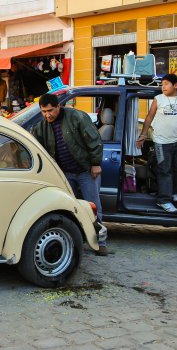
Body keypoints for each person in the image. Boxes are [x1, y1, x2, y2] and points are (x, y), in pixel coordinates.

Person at [31, 93, 108, 256]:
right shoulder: (41, 126)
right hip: (64, 174)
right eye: (44, 111)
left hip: (86, 171)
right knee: (69, 208)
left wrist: (95, 163)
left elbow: (94, 140)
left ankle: (100, 242)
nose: (47, 115)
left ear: (59, 106)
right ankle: (75, 240)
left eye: (50, 110)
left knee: (93, 207)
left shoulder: (77, 117)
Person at [136, 74, 177, 213]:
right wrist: (143, 134)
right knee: (165, 171)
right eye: (162, 84)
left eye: (166, 84)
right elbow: (149, 117)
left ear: (175, 85)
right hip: (160, 142)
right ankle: (163, 200)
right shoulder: (158, 99)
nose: (162, 86)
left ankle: (172, 192)